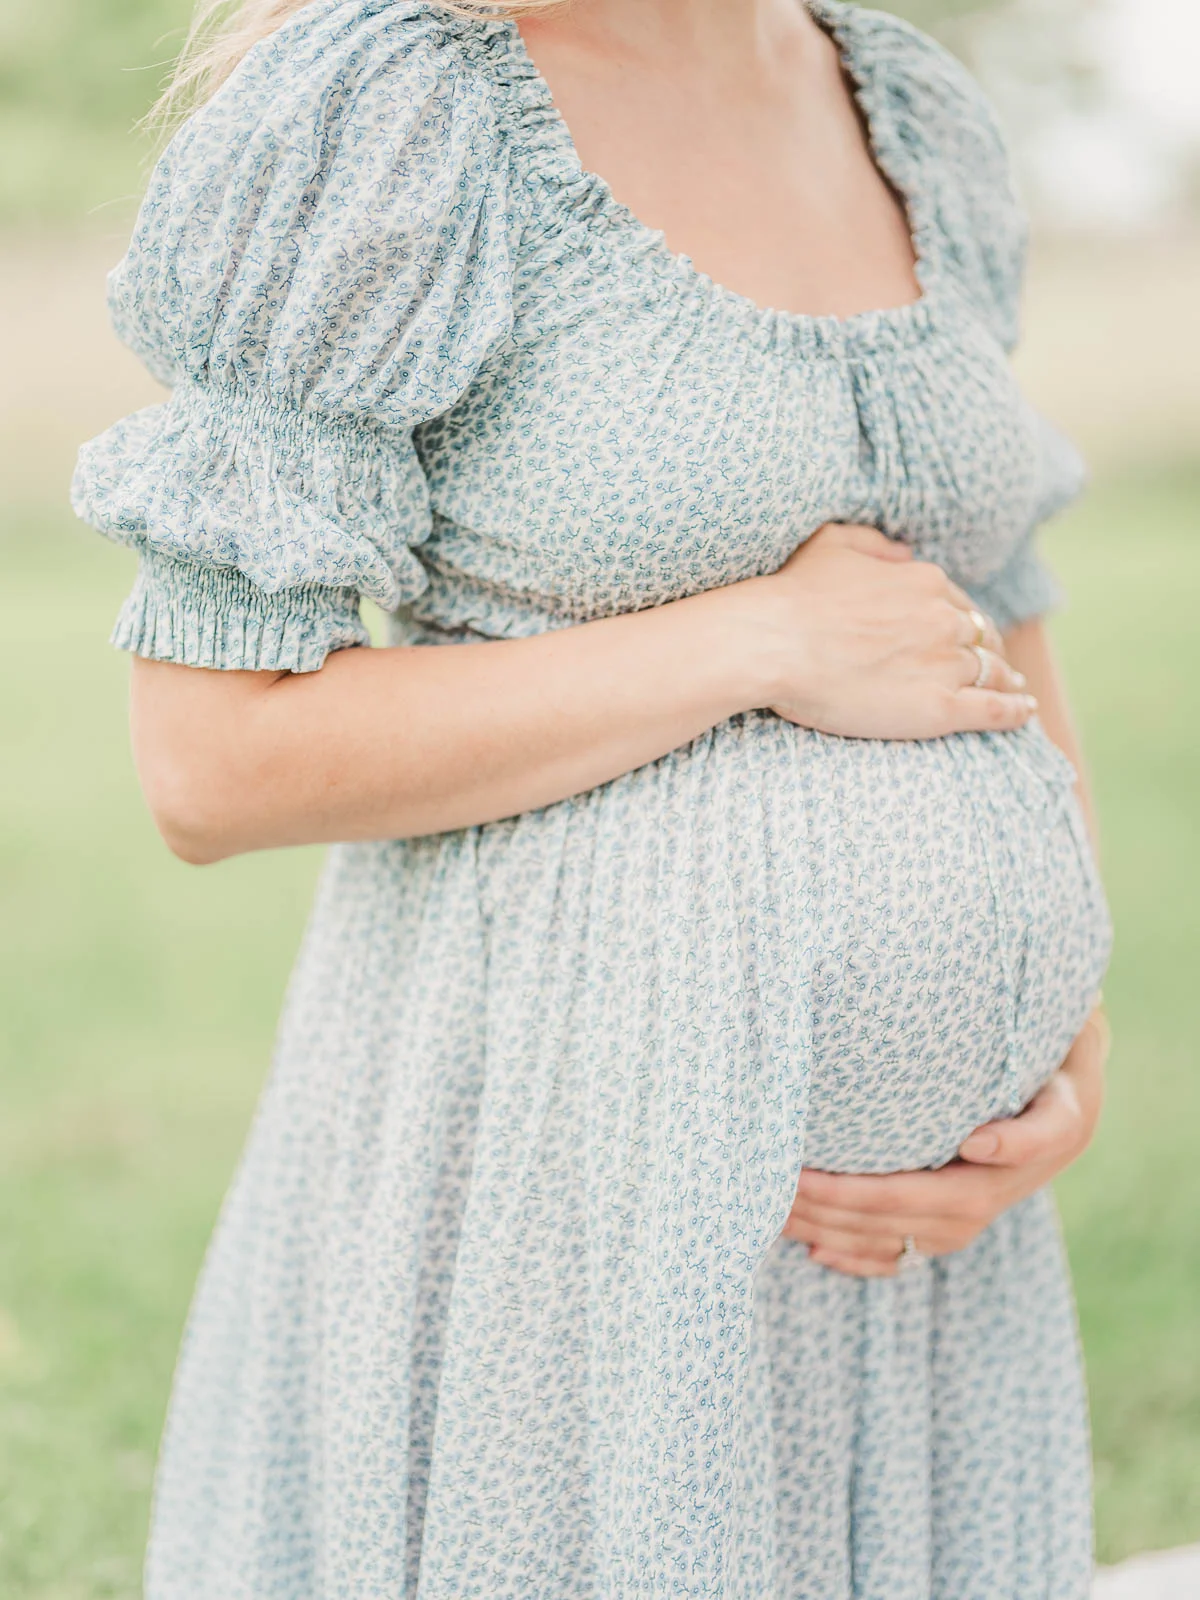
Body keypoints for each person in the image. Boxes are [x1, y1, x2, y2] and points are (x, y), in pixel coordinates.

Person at [72, 0, 1113, 1593]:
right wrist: (752, 641)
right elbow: (212, 764)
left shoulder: (909, 102)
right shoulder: (395, 112)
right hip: (565, 1196)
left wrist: (1062, 1051)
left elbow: (995, 612)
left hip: (908, 1264)